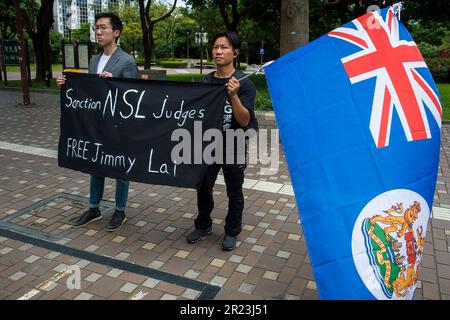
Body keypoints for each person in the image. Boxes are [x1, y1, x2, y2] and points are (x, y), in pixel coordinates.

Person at [56, 12, 138, 231]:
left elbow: (135, 95)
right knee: (96, 164)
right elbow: (88, 90)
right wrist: (67, 84)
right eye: (97, 28)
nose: (99, 32)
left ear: (116, 32)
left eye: (103, 28)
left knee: (120, 167)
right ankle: (94, 207)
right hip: (97, 124)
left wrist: (115, 84)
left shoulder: (127, 60)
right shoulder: (95, 60)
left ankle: (120, 210)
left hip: (119, 125)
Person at [186, 31, 257, 251]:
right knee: (203, 187)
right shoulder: (207, 81)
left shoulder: (244, 83)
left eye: (224, 47)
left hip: (233, 144)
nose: (218, 51)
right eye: (216, 47)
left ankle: (232, 231)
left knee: (234, 191)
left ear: (234, 53)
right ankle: (203, 224)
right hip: (207, 144)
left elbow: (245, 120)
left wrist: (234, 95)